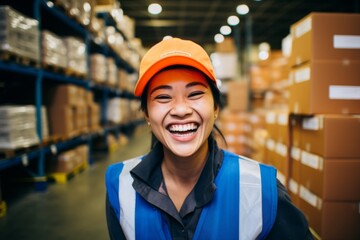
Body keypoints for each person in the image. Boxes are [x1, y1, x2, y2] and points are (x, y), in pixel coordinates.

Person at [105, 37, 313, 240]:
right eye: (163, 97)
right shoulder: (120, 186)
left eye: (195, 94)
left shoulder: (261, 189)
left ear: (215, 108)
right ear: (147, 115)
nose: (180, 109)